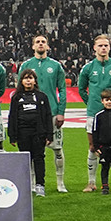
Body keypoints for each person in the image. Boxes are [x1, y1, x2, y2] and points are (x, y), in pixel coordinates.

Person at [75, 35, 111, 193]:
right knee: (93, 147)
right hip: (94, 114)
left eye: (106, 45)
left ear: (110, 47)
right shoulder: (88, 68)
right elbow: (81, 89)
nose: (103, 48)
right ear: (94, 48)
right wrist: (91, 103)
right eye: (100, 45)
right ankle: (91, 182)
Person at [18, 35, 69, 192]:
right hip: (31, 115)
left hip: (52, 113)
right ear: (33, 46)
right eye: (37, 42)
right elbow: (19, 90)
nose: (40, 44)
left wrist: (61, 112)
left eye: (43, 42)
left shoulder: (56, 66)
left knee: (57, 149)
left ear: (47, 46)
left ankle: (60, 182)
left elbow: (62, 89)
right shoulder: (26, 65)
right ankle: (33, 183)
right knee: (34, 151)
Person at [6, 69, 54, 197]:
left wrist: (49, 134)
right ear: (21, 81)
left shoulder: (42, 97)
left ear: (35, 81)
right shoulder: (16, 97)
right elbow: (12, 116)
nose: (28, 80)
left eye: (31, 78)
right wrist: (12, 136)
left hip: (39, 133)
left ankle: (40, 186)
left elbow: (48, 116)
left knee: (39, 158)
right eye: (25, 78)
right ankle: (26, 185)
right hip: (23, 133)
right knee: (25, 160)